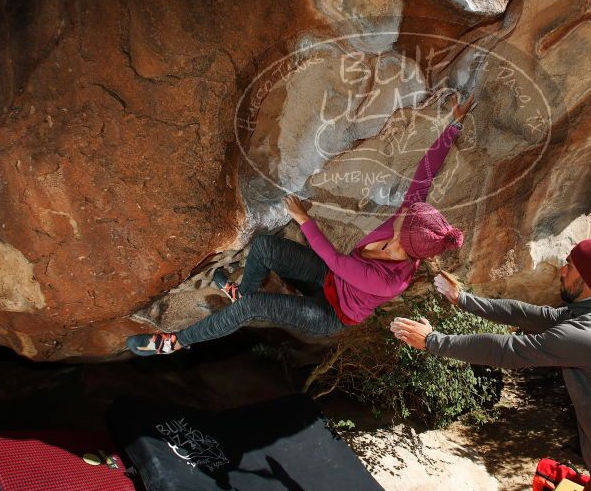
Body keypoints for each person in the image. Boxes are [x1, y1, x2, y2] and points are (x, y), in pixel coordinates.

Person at [126, 93, 475, 356]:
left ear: (408, 246)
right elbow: (424, 176)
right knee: (264, 248)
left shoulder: (391, 282)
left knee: (252, 308)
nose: (401, 216)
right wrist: (453, 126)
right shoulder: (408, 222)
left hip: (330, 312)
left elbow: (339, 262)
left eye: (405, 222)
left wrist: (304, 219)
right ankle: (241, 292)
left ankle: (175, 342)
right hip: (329, 279)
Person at [391, 239, 591, 491]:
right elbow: (527, 315)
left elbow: (510, 350)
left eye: (570, 265)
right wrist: (464, 300)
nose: (562, 271)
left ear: (588, 278)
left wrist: (435, 341)